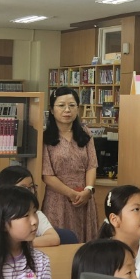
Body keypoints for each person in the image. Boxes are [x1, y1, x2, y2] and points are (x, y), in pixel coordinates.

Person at [40, 88, 99, 241]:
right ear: (52, 110)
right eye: (61, 105)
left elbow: (92, 165)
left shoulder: (85, 133)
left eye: (72, 105)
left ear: (77, 108)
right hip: (58, 200)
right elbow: (47, 175)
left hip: (85, 197)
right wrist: (72, 194)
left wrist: (88, 190)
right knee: (60, 241)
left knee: (85, 244)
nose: (67, 110)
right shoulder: (44, 137)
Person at [0, 164, 59, 245]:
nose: (29, 192)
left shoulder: (35, 214)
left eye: (31, 187)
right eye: (23, 188)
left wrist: (23, 246)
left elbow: (54, 238)